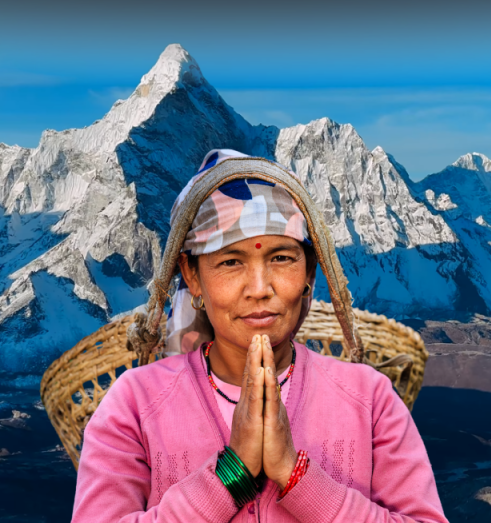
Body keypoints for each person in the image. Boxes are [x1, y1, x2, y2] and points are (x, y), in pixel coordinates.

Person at [71, 149, 448, 522]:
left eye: (281, 258)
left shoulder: (370, 400)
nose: (259, 288)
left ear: (309, 271)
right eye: (230, 262)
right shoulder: (134, 406)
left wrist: (295, 476)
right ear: (191, 276)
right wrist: (231, 475)